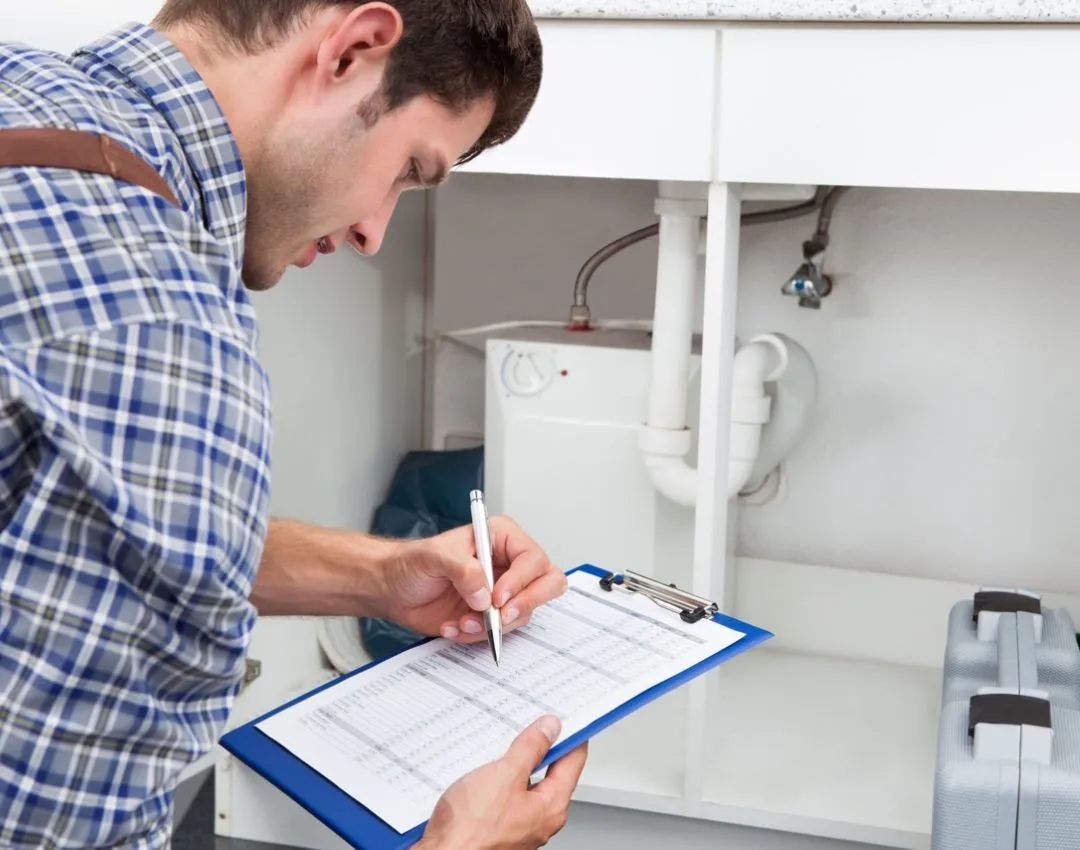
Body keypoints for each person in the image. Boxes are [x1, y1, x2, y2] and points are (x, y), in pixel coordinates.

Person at [0, 1, 588, 848]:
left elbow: (58, 519)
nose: (373, 232)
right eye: (406, 170)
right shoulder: (164, 341)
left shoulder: (28, 98)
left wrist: (382, 574)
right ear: (352, 49)